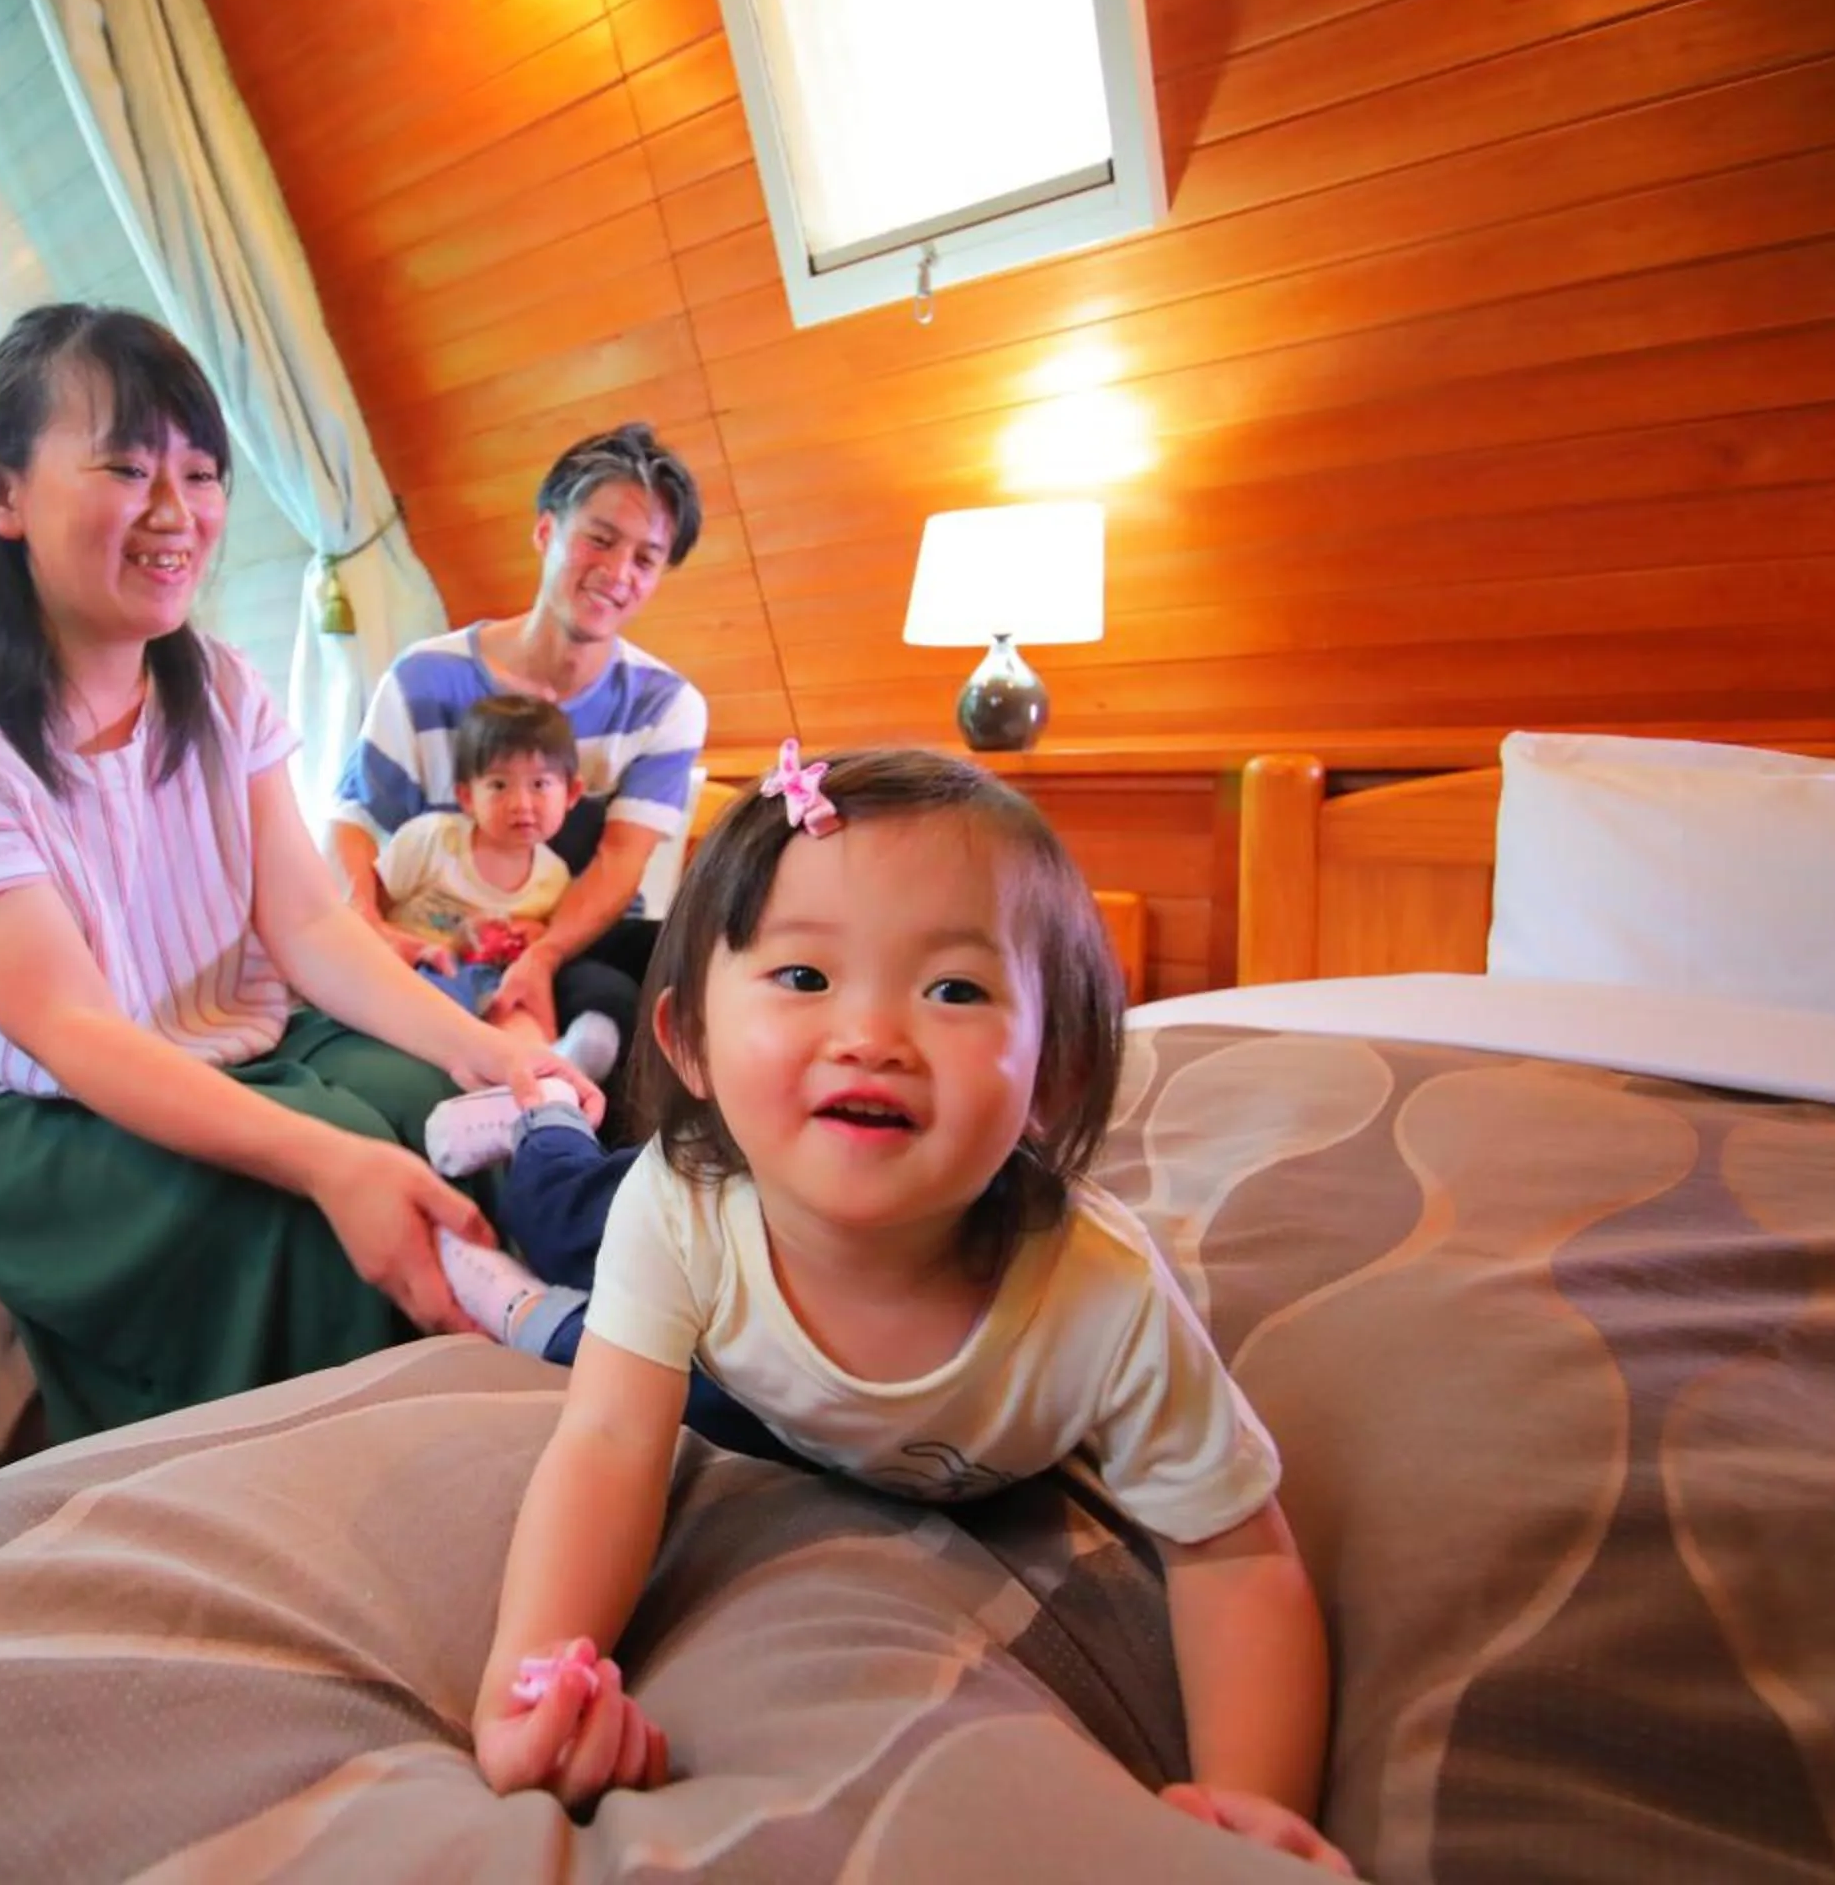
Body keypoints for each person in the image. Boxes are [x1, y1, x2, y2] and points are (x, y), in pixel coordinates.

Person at [442, 745, 1350, 1876]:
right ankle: (541, 1117)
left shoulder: (1099, 1299)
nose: (870, 1034)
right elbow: (613, 1439)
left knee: (621, 1342)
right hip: (712, 1287)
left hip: (759, 1378)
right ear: (690, 1042)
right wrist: (528, 1682)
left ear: (1054, 1073)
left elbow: (1235, 1557)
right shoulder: (684, 1203)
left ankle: (530, 1304)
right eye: (805, 978)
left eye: (956, 989)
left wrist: (1251, 1808)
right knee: (571, 1214)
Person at [0, 304, 600, 1445]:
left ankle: (589, 1385)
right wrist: (329, 1162)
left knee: (450, 1114)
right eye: (127, 467)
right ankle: (425, 1480)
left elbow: (311, 924)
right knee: (312, 1225)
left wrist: (487, 1046)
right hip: (5, 1108)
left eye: (200, 472)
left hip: (222, 1029)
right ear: (1, 495)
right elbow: (73, 1031)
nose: (175, 511)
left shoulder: (220, 686)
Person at [330, 423, 706, 1064]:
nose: (617, 573)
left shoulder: (665, 705)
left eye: (645, 559)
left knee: (675, 971)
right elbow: (357, 821)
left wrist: (545, 952)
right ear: (545, 532)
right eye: (599, 539)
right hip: (446, 936)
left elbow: (620, 863)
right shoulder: (424, 677)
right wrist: (363, 926)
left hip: (577, 935)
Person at [373, 694, 624, 1082]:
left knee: (514, 1002)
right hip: (415, 975)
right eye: (499, 785)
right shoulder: (431, 841)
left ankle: (548, 1066)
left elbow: (541, 942)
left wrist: (535, 933)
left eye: (540, 784)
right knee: (451, 998)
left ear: (571, 794)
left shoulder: (552, 876)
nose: (521, 804)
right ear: (466, 796)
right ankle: (501, 1075)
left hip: (487, 985)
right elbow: (366, 911)